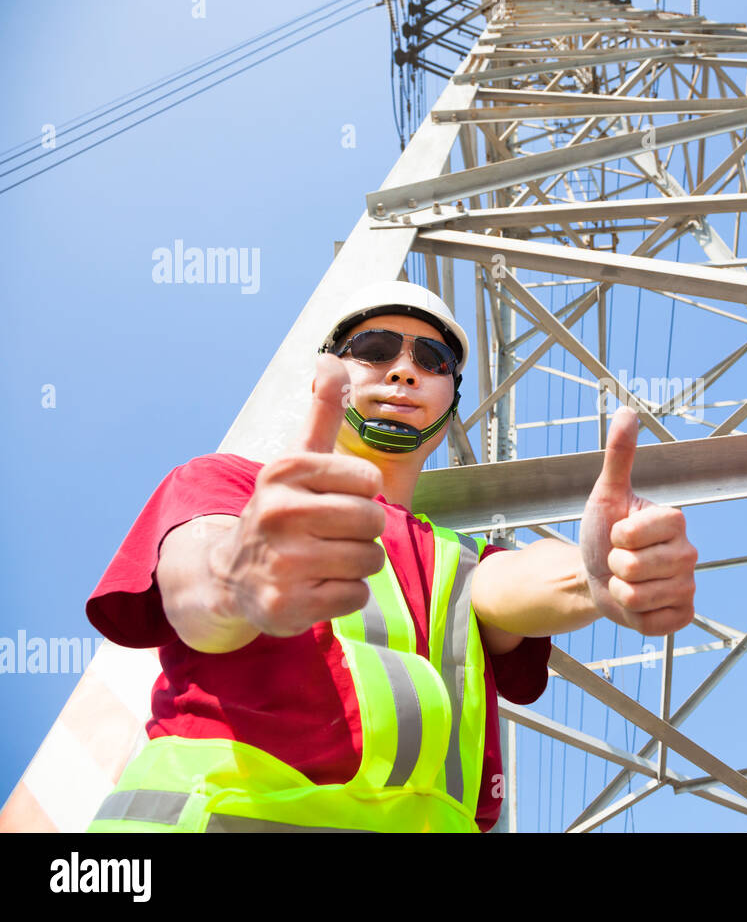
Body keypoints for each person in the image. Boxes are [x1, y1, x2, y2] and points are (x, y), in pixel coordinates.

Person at [85, 280, 697, 832]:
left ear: (452, 399)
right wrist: (236, 579)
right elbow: (199, 587)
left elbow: (523, 583)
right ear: (329, 374)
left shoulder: (462, 559)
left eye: (431, 361)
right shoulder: (229, 487)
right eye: (375, 349)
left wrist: (598, 574)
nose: (403, 371)